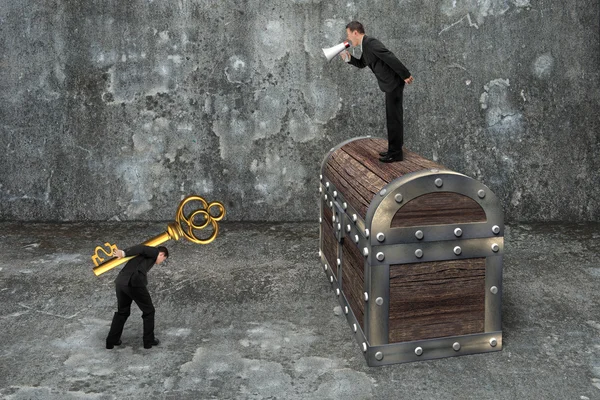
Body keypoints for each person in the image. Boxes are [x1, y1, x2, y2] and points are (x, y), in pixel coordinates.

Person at [341, 21, 414, 163]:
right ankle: (393, 150)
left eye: (348, 34)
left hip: (393, 83)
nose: (348, 38)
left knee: (394, 119)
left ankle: (396, 153)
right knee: (392, 118)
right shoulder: (365, 46)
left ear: (355, 32)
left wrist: (405, 75)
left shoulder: (370, 43)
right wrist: (348, 58)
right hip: (390, 84)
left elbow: (389, 56)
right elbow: (362, 63)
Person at [105, 244, 169, 349]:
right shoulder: (154, 252)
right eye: (163, 259)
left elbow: (141, 252)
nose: (162, 261)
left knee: (122, 312)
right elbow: (142, 247)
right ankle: (148, 341)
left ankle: (111, 341)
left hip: (121, 282)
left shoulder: (144, 257)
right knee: (149, 311)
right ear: (161, 254)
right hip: (134, 283)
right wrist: (123, 253)